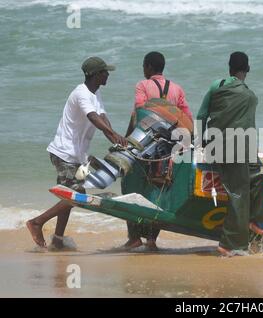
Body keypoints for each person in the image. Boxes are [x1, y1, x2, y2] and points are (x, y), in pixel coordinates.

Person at [26, 56, 128, 249]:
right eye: (105, 72)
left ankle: (57, 239)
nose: (108, 75)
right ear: (95, 75)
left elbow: (103, 118)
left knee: (69, 198)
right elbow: (93, 118)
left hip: (76, 155)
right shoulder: (81, 93)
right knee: (77, 196)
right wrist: (113, 134)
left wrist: (115, 139)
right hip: (64, 153)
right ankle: (36, 223)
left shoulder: (96, 93)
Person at [197, 52, 263, 257]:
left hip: (233, 145)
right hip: (227, 147)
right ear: (248, 69)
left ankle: (251, 220)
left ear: (229, 67)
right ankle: (227, 244)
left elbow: (202, 115)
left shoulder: (216, 86)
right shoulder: (248, 94)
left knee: (259, 173)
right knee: (238, 190)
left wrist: (200, 141)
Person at [121, 51, 193, 251]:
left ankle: (134, 237)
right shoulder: (177, 89)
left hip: (145, 145)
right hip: (168, 149)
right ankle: (152, 239)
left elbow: (140, 112)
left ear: (149, 67)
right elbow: (187, 118)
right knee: (160, 189)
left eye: (144, 66)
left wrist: (128, 139)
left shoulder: (142, 85)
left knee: (131, 186)